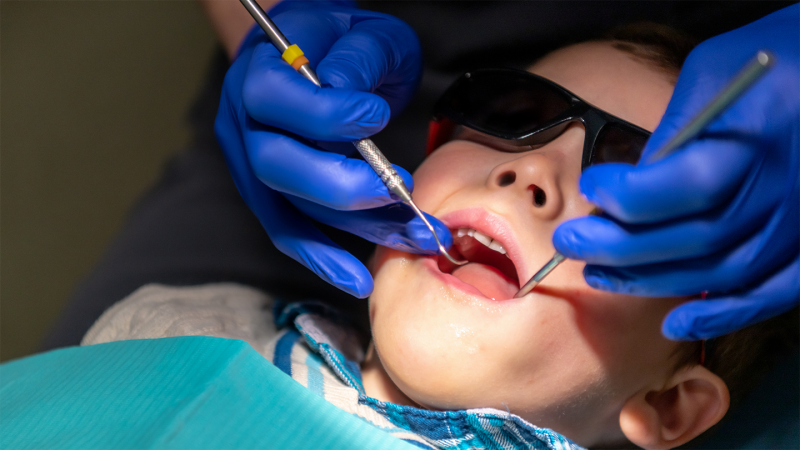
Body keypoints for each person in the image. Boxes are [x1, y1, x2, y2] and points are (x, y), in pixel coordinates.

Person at [80, 28, 800, 450]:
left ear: (670, 406)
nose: (529, 172)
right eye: (513, 116)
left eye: (632, 185)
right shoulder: (176, 333)